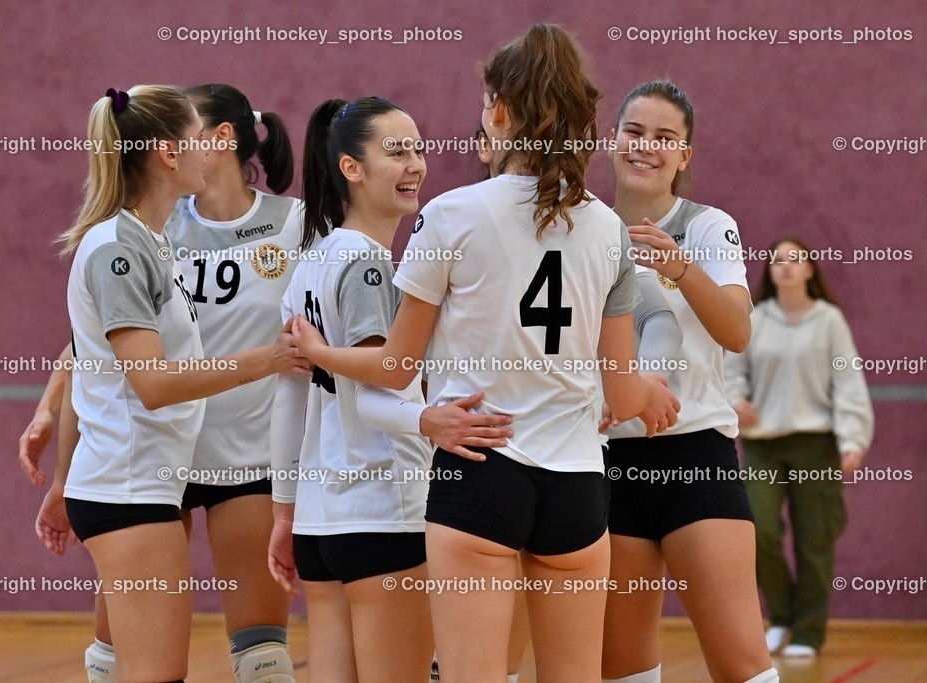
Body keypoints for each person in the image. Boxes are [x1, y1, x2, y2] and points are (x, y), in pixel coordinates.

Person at [288, 25, 680, 682]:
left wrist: (321, 350)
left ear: (500, 111)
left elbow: (396, 366)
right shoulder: (609, 228)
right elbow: (621, 395)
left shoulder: (449, 214)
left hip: (478, 472)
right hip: (577, 485)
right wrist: (653, 390)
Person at [22, 83, 304, 683]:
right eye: (197, 138)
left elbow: (96, 361)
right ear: (168, 154)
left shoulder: (145, 240)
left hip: (168, 473)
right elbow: (149, 382)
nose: (210, 150)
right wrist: (269, 359)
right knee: (147, 669)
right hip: (132, 485)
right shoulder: (120, 249)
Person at [267, 96, 514, 683]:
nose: (415, 164)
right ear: (350, 167)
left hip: (321, 526)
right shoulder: (371, 266)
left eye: (419, 149)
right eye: (396, 151)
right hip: (383, 512)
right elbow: (379, 383)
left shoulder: (311, 262)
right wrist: (425, 421)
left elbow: (291, 398)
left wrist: (284, 512)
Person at [599, 80, 778, 683]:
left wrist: (678, 266)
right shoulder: (584, 228)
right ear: (612, 139)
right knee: (622, 669)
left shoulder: (706, 226)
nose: (646, 146)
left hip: (696, 457)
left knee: (743, 667)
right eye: (635, 131)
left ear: (685, 155)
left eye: (665, 137)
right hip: (607, 462)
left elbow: (736, 331)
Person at [725, 238, 874, 658]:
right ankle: (782, 616)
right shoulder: (755, 318)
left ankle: (808, 632)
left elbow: (848, 384)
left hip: (817, 446)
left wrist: (853, 439)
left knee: (814, 540)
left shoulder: (829, 321)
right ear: (769, 272)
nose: (786, 267)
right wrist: (737, 401)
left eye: (796, 260)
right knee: (760, 532)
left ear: (810, 270)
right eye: (778, 261)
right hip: (764, 448)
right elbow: (731, 368)